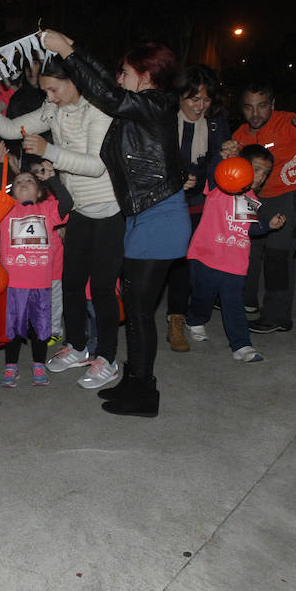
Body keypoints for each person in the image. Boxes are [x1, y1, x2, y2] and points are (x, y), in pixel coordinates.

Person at [42, 29, 188, 418]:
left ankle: (143, 393)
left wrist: (68, 52)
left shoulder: (156, 103)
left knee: (139, 311)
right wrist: (74, 49)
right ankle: (135, 380)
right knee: (138, 310)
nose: (119, 78)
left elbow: (106, 93)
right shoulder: (142, 105)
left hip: (160, 216)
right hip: (142, 214)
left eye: (125, 72)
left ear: (146, 75)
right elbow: (107, 87)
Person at [0, 52, 122, 389]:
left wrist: (48, 151)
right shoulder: (53, 110)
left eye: (53, 89)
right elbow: (10, 127)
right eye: (45, 91)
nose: (48, 98)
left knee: (100, 289)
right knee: (70, 284)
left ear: (74, 82)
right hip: (79, 209)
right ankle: (79, 346)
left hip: (109, 209)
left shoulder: (98, 111)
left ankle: (107, 358)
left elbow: (96, 165)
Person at [230, 81, 296, 333]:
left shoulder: (290, 122)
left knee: (279, 250)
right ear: (242, 109)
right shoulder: (240, 136)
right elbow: (234, 177)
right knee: (247, 243)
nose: (255, 113)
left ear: (273, 105)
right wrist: (228, 154)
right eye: (248, 107)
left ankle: (277, 317)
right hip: (261, 195)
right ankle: (246, 301)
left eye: (262, 106)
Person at [185, 146, 286, 363]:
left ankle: (241, 345)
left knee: (234, 304)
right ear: (239, 166)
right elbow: (214, 172)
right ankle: (195, 320)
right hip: (206, 256)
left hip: (234, 263)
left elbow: (250, 229)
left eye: (265, 173)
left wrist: (268, 225)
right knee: (203, 295)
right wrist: (220, 158)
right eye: (256, 169)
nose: (260, 177)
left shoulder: (248, 198)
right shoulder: (219, 187)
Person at [165, 65, 231, 353]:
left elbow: (219, 164)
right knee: (168, 262)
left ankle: (186, 318)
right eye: (193, 99)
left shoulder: (217, 121)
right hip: (166, 201)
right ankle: (167, 318)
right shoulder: (163, 119)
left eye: (205, 99)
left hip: (203, 202)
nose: (200, 106)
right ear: (179, 96)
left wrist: (227, 156)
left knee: (194, 261)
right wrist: (175, 179)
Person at [0, 165, 71, 388]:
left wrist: (53, 180)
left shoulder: (47, 209)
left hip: (41, 282)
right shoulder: (5, 209)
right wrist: (2, 166)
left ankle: (38, 363)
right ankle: (11, 365)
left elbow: (68, 204)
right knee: (13, 328)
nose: (23, 183)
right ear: (12, 192)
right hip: (13, 283)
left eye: (29, 180)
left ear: (39, 190)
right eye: (18, 182)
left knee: (41, 328)